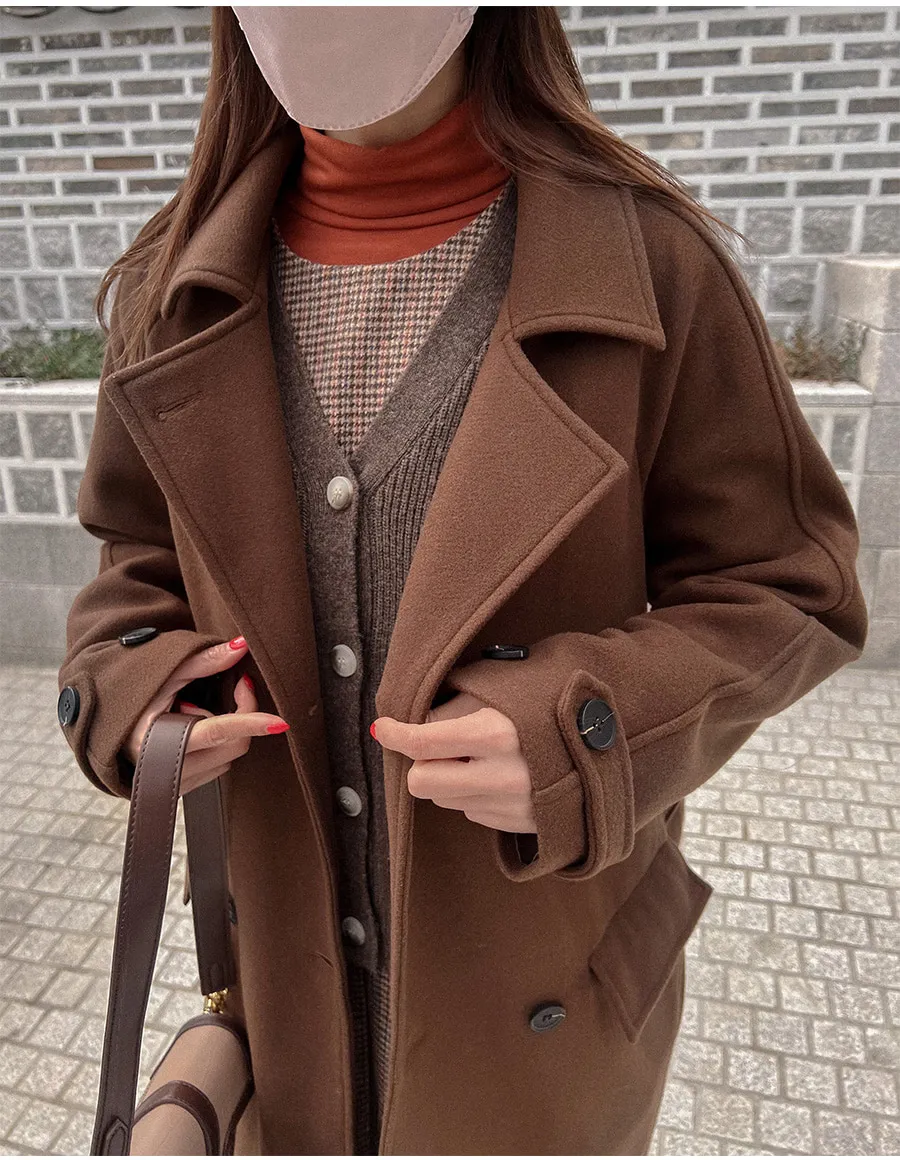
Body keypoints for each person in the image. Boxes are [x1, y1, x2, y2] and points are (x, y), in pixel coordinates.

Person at [57, 7, 868, 1155]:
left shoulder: (655, 263)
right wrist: (137, 689)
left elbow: (793, 584)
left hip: (547, 1005)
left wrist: (587, 728)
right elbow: (134, 566)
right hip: (288, 1002)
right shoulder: (171, 287)